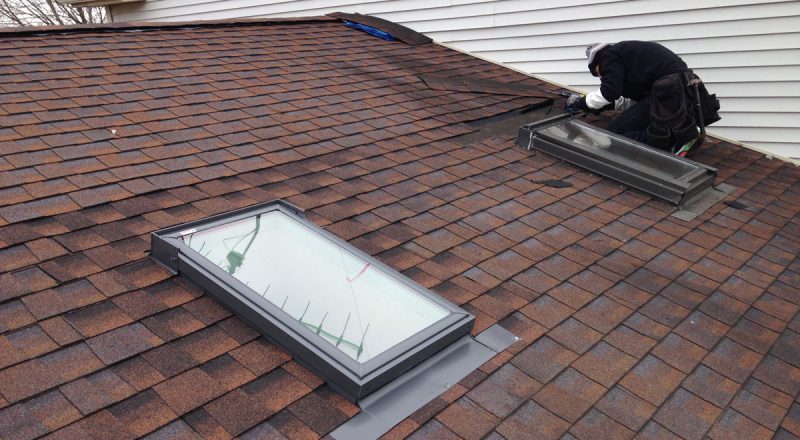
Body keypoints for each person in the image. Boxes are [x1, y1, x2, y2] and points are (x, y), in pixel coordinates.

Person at [566, 41, 717, 156]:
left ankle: (674, 141)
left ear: (596, 64)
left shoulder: (609, 57)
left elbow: (609, 92)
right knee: (637, 123)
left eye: (599, 74)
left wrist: (582, 102)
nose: (602, 77)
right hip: (679, 90)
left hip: (667, 90)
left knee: (615, 133)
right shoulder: (628, 57)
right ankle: (683, 133)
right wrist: (603, 105)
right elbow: (633, 100)